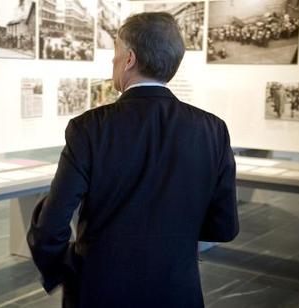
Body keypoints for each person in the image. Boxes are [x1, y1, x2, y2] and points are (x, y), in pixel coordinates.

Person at [27, 12, 239, 308]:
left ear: (129, 59)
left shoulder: (89, 128)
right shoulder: (213, 129)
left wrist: (62, 269)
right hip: (177, 289)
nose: (112, 62)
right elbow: (223, 226)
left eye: (114, 53)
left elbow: (51, 225)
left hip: (101, 289)